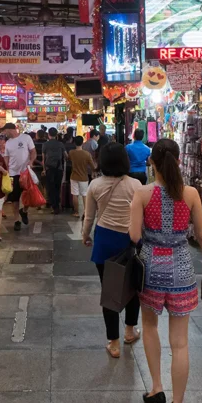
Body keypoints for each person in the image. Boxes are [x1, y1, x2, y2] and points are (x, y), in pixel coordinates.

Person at [129, 139, 202, 403]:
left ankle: (156, 387)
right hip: (182, 268)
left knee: (149, 327)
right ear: (178, 161)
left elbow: (134, 236)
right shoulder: (191, 194)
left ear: (152, 163)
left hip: (151, 270)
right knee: (180, 344)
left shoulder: (141, 194)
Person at [82, 143, 142, 358]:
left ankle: (113, 343)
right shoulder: (135, 185)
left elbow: (89, 217)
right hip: (130, 240)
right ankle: (129, 331)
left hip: (105, 240)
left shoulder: (95, 185)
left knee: (109, 291)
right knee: (133, 287)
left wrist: (84, 235)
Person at [2, 123, 36, 231]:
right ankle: (17, 220)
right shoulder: (8, 143)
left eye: (5, 131)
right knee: (14, 199)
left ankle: (24, 211)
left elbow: (33, 151)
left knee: (30, 195)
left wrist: (31, 161)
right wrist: (6, 170)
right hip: (13, 173)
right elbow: (6, 158)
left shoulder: (26, 138)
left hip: (25, 172)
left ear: (10, 130)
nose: (4, 133)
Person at [42, 128, 68, 214]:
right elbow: (66, 156)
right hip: (59, 169)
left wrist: (44, 169)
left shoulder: (45, 144)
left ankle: (54, 206)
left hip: (49, 169)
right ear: (56, 134)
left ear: (48, 135)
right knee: (57, 187)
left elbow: (43, 158)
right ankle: (57, 204)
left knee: (50, 188)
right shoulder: (60, 144)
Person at [68, 136, 95, 216]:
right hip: (84, 177)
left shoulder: (71, 152)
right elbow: (93, 166)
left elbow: (68, 159)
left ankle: (76, 212)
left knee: (75, 194)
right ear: (82, 143)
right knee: (84, 195)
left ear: (74, 143)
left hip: (73, 176)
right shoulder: (87, 154)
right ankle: (85, 212)